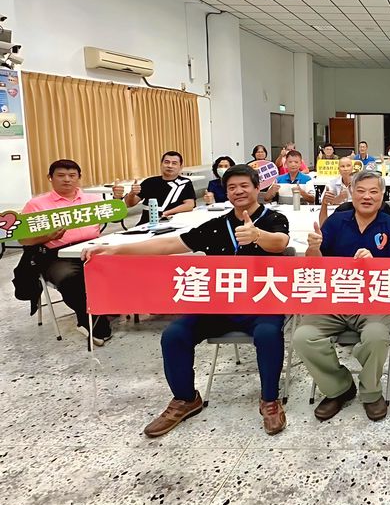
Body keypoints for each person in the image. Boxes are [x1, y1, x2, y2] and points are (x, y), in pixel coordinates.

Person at [83, 165, 291, 436]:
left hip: (261, 303)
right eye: (232, 187)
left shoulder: (273, 218)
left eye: (244, 186)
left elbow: (280, 242)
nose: (238, 191)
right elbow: (169, 244)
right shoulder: (217, 225)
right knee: (174, 334)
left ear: (257, 188)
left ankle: (270, 401)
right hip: (219, 304)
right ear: (226, 192)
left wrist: (257, 236)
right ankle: (185, 398)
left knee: (268, 334)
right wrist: (114, 250)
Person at [294, 172, 390, 422]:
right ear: (351, 193)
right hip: (335, 297)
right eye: (361, 191)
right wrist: (313, 248)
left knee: (376, 337)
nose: (367, 196)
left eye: (373, 191)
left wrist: (374, 264)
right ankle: (339, 388)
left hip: (373, 299)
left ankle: (371, 391)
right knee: (303, 337)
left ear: (382, 195)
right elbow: (315, 264)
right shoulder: (336, 222)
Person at [21, 159, 113, 345]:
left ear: (79, 177)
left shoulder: (92, 200)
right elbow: (24, 240)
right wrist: (46, 237)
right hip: (57, 255)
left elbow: (117, 213)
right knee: (71, 279)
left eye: (72, 175)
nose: (67, 180)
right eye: (61, 175)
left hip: (93, 247)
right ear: (50, 177)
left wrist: (121, 200)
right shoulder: (36, 205)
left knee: (123, 266)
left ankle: (111, 307)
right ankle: (90, 322)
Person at [116, 150, 196, 225]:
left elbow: (189, 205)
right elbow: (130, 204)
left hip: (172, 223)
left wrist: (166, 213)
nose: (170, 166)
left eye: (174, 163)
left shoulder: (184, 183)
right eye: (166, 162)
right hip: (146, 224)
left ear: (180, 167)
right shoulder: (149, 182)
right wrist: (132, 193)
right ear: (161, 164)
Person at [318, 155, 356, 224]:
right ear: (338, 169)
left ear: (352, 168)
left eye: (348, 166)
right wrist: (339, 198)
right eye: (342, 166)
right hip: (337, 213)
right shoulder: (332, 183)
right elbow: (325, 201)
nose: (345, 169)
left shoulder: (359, 183)